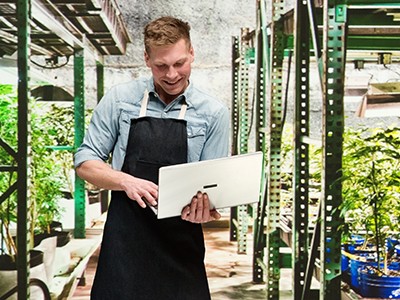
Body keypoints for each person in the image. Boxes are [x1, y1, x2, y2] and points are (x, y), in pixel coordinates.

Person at [74, 16, 229, 299]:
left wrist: (207, 210)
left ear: (192, 52)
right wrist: (125, 181)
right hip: (126, 239)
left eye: (179, 63)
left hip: (181, 242)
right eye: (161, 66)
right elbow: (86, 162)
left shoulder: (213, 113)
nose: (171, 75)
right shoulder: (120, 100)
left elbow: (213, 187)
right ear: (147, 59)